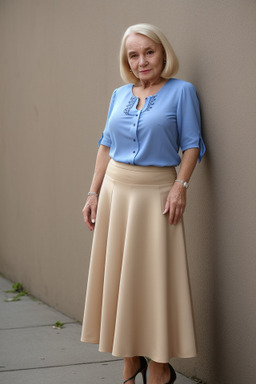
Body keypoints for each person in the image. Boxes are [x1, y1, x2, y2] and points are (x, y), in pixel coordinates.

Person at [81, 23, 205, 384]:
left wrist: (180, 185)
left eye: (148, 52)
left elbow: (193, 143)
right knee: (120, 278)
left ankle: (161, 365)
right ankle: (130, 358)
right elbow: (106, 144)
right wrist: (93, 193)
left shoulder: (182, 92)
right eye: (133, 55)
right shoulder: (119, 94)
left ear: (163, 53)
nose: (141, 61)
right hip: (116, 193)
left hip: (156, 196)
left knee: (154, 280)